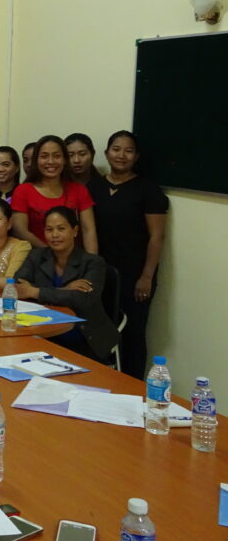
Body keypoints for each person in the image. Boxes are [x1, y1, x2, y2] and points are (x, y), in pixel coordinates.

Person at [87, 131, 168, 379]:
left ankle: (133, 386)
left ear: (136, 156)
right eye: (116, 149)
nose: (121, 155)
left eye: (128, 150)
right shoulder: (93, 187)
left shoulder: (147, 190)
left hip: (135, 275)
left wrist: (146, 277)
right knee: (99, 332)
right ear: (106, 153)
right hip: (101, 274)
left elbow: (157, 237)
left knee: (132, 334)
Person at [14, 207, 118, 361]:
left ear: (75, 231)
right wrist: (64, 289)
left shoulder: (93, 262)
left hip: (83, 336)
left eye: (61, 229)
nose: (55, 235)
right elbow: (18, 288)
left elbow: (82, 300)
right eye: (49, 229)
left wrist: (35, 292)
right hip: (42, 332)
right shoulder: (37, 256)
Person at [11, 134, 98, 253]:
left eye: (57, 156)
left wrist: (91, 264)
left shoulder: (79, 190)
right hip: (35, 260)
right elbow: (20, 231)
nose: (50, 161)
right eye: (44, 156)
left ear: (65, 160)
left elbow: (89, 231)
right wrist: (52, 254)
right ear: (36, 160)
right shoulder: (23, 191)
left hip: (73, 263)